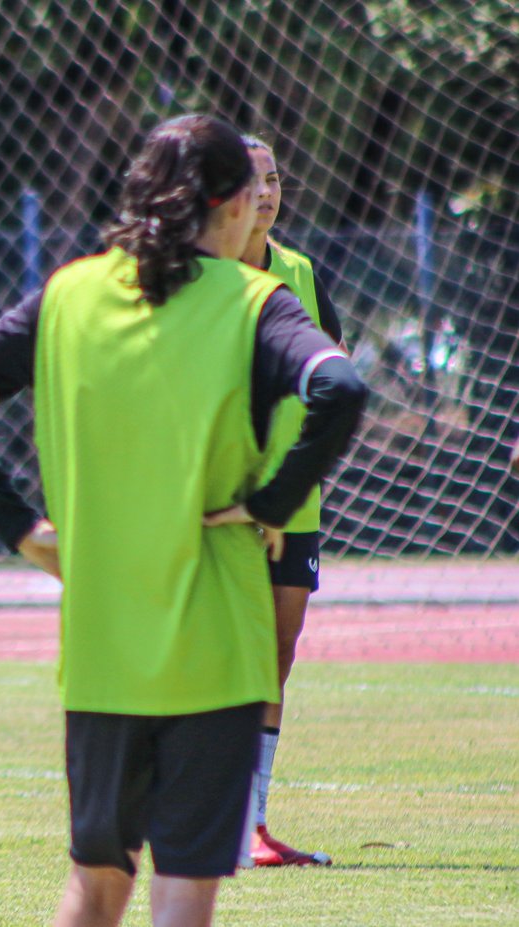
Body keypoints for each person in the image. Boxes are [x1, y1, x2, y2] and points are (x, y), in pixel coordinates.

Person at [0, 114, 366, 927]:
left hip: (104, 647)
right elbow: (342, 389)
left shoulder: (70, 292)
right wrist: (270, 504)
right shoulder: (255, 300)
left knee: (96, 881)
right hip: (220, 645)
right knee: (182, 893)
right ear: (229, 205)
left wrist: (21, 529)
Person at [238, 135, 345, 868]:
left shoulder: (301, 272)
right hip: (218, 502)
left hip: (292, 503)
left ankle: (252, 820)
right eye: (251, 180)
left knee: (275, 654)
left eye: (274, 178)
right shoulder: (193, 276)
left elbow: (334, 375)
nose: (267, 192)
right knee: (214, 657)